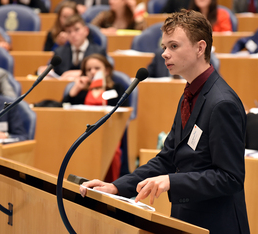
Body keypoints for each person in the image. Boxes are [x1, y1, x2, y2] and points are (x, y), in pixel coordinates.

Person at [80, 9, 250, 234]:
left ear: (200, 48)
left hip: (216, 225)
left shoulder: (222, 103)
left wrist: (171, 182)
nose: (164, 54)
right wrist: (116, 186)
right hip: (185, 221)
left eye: (174, 46)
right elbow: (167, 159)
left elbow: (230, 178)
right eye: (164, 47)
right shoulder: (190, 94)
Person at [63, 53, 127, 182]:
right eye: (88, 69)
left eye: (97, 68)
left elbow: (123, 110)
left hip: (109, 134)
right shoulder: (82, 91)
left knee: (112, 154)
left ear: (107, 70)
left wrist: (102, 88)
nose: (92, 72)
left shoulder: (116, 88)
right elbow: (64, 109)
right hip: (82, 133)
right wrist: (75, 90)